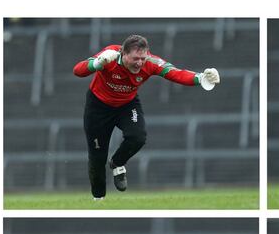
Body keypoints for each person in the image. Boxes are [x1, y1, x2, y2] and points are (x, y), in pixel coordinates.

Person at [73, 34, 221, 199]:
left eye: (143, 58)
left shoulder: (150, 62)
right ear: (123, 53)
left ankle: (117, 163)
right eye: (136, 58)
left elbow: (175, 73)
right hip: (98, 107)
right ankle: (98, 199)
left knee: (138, 137)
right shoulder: (110, 55)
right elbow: (78, 70)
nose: (140, 63)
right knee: (97, 158)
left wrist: (200, 78)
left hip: (126, 105)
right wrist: (97, 63)